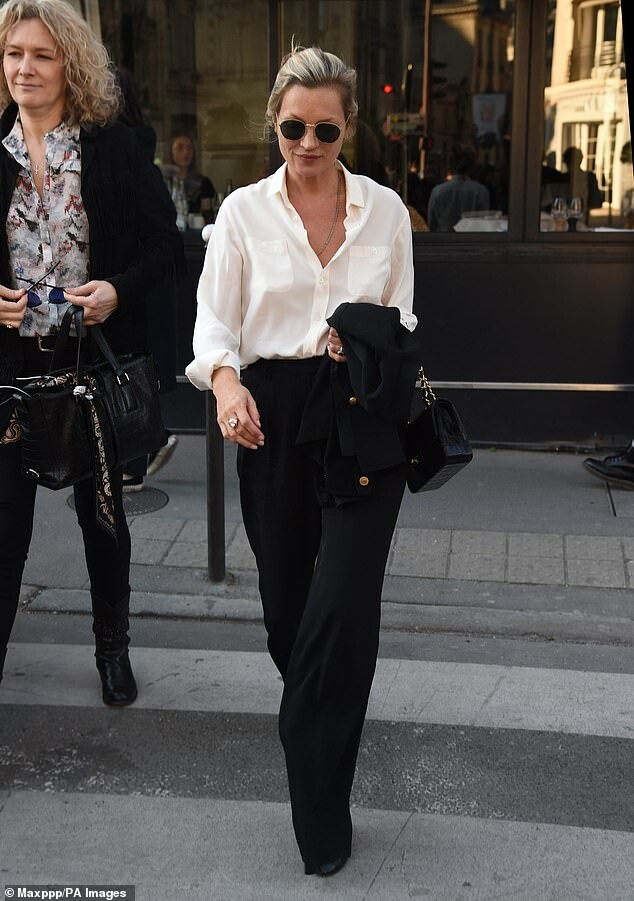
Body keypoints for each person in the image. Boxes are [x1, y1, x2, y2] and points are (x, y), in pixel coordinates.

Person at [186, 45, 418, 877]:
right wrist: (225, 386)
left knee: (343, 614)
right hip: (274, 417)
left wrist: (364, 341)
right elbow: (214, 325)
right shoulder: (243, 214)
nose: (308, 144)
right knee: (290, 616)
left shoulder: (385, 210)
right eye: (293, 128)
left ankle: (321, 808)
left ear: (350, 126)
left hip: (360, 416)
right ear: (274, 126)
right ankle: (315, 730)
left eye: (326, 129)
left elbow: (402, 317)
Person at [0, 0, 181, 705]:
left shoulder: (112, 149)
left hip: (91, 369)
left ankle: (113, 649)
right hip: (12, 375)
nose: (24, 68)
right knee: (4, 530)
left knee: (103, 521)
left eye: (41, 55)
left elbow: (165, 246)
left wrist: (116, 292)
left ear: (70, 65)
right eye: (14, 53)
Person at [427, 144, 490, 232]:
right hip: (472, 239)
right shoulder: (480, 192)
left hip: (443, 239)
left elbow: (432, 225)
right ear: (472, 166)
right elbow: (483, 225)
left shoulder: (438, 191)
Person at [165, 133, 216, 218]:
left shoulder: (204, 183)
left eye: (189, 148)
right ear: (170, 152)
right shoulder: (164, 183)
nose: (185, 152)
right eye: (180, 148)